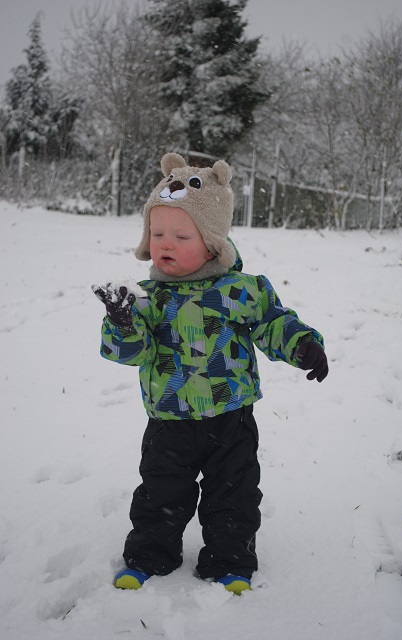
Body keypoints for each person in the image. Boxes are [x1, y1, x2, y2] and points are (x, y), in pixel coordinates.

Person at [92, 153, 328, 595]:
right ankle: (149, 555)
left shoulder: (240, 290)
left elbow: (272, 322)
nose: (165, 243)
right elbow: (133, 353)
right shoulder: (146, 298)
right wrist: (122, 323)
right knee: (160, 494)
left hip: (231, 419)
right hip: (169, 420)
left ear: (213, 243)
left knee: (234, 495)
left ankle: (229, 561)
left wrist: (302, 344)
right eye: (157, 233)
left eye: (181, 235)